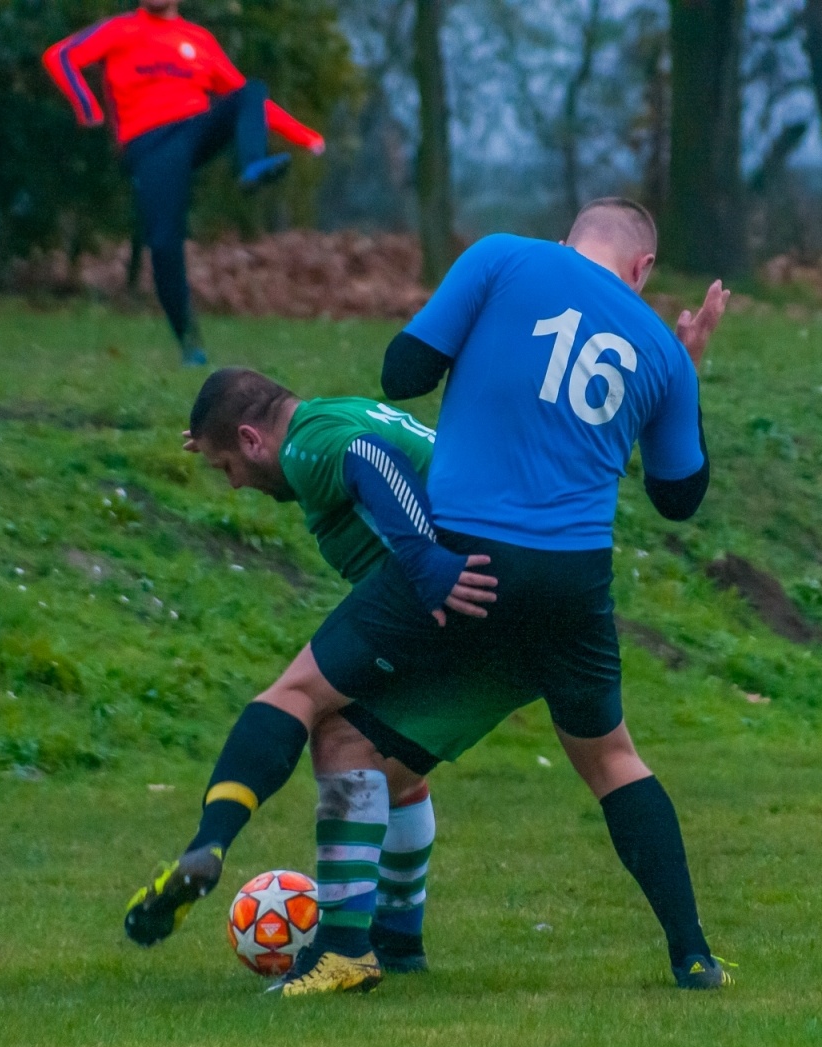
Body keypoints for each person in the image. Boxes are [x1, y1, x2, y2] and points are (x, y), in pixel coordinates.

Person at [126, 198, 733, 995]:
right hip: (573, 583)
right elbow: (679, 497)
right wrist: (683, 371)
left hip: (465, 554)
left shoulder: (505, 257)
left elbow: (402, 375)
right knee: (612, 760)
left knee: (306, 704)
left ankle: (312, 922)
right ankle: (693, 956)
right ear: (643, 269)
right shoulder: (660, 349)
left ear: (567, 240)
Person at [123, 373, 456, 974]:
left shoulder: (308, 445)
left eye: (228, 466)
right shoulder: (334, 412)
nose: (235, 483)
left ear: (253, 439)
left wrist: (426, 562)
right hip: (492, 578)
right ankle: (400, 944)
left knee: (295, 696)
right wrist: (214, 430)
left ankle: (211, 841)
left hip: (437, 584)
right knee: (384, 761)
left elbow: (368, 459)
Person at [43, 0, 326, 367]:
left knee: (251, 90)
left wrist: (304, 136)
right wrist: (87, 107)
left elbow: (249, 101)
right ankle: (190, 343)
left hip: (194, 130)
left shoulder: (199, 39)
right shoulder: (120, 30)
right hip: (150, 145)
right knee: (164, 244)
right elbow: (61, 56)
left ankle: (252, 166)